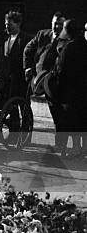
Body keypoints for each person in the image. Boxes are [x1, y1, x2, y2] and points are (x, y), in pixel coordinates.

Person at [23, 11, 66, 149]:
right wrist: (28, 68)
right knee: (25, 105)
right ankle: (25, 136)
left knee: (56, 111)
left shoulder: (67, 39)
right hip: (36, 75)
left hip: (53, 80)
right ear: (51, 23)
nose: (57, 27)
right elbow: (28, 49)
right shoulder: (43, 34)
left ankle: (60, 144)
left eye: (60, 24)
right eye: (55, 24)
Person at [51, 19, 87, 157]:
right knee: (82, 120)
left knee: (72, 120)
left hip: (70, 91)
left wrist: (57, 89)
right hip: (83, 89)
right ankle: (82, 148)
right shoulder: (85, 45)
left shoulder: (69, 48)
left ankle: (76, 148)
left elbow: (60, 70)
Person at [3, 11, 31, 98]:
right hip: (9, 79)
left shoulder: (25, 39)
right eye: (6, 24)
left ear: (18, 24)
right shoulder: (6, 40)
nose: (7, 27)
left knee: (23, 104)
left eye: (10, 25)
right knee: (10, 105)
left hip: (21, 78)